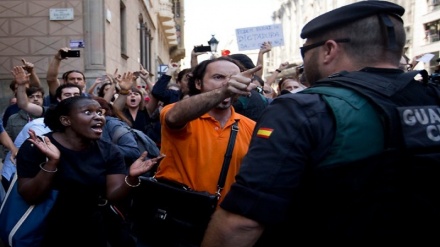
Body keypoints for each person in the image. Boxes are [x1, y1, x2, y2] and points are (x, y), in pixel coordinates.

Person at [201, 1, 440, 246]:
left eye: (306, 51)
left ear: (329, 50)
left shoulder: (302, 108)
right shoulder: (432, 96)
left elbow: (242, 222)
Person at [135, 56, 259, 247]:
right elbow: (175, 117)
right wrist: (224, 90)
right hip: (177, 223)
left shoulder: (251, 127)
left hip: (222, 228)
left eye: (235, 78)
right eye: (218, 77)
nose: (228, 82)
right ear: (199, 83)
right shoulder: (177, 112)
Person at [15, 96, 162, 247]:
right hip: (46, 229)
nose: (98, 117)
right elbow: (29, 195)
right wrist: (52, 163)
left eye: (100, 112)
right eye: (88, 112)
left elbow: (113, 195)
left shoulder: (110, 151)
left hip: (92, 228)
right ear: (66, 121)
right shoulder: (38, 146)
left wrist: (131, 178)